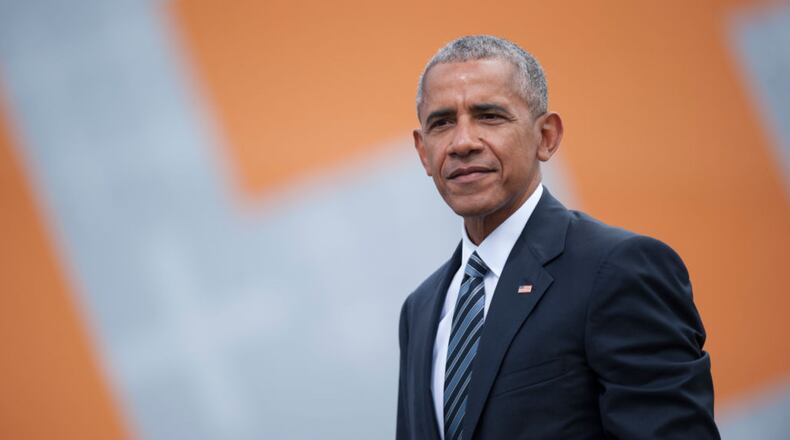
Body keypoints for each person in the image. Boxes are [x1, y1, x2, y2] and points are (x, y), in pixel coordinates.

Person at [396, 35, 719, 440]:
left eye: (489, 116)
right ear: (423, 151)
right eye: (442, 123)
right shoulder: (421, 309)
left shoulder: (618, 270)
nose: (462, 143)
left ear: (546, 136)